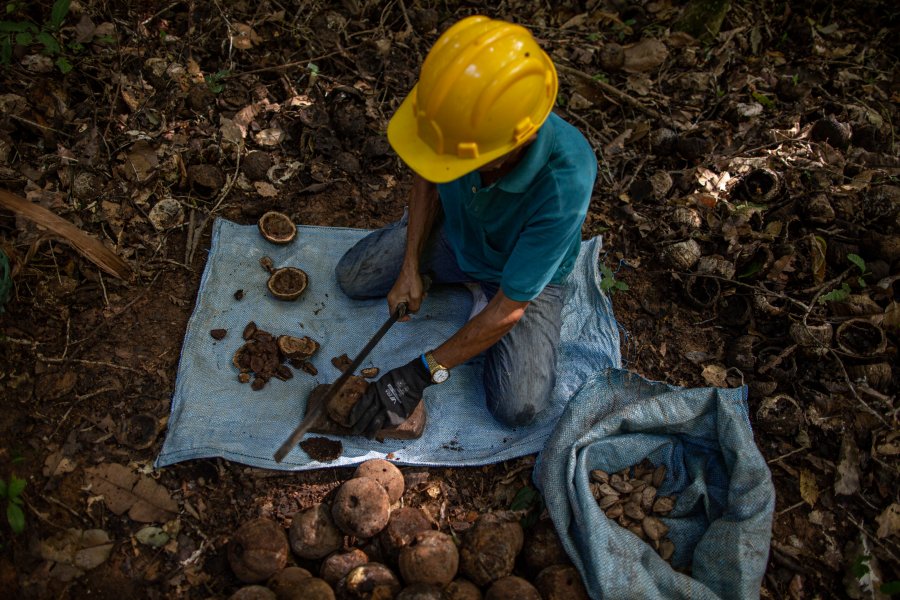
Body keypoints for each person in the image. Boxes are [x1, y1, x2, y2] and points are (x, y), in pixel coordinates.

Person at [334, 15, 597, 438]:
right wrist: (410, 265)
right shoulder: (453, 116)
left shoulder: (566, 181)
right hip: (458, 238)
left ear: (511, 148)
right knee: (353, 275)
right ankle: (458, 282)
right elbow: (428, 169)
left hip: (518, 277)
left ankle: (477, 294)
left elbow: (510, 307)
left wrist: (420, 373)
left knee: (519, 406)